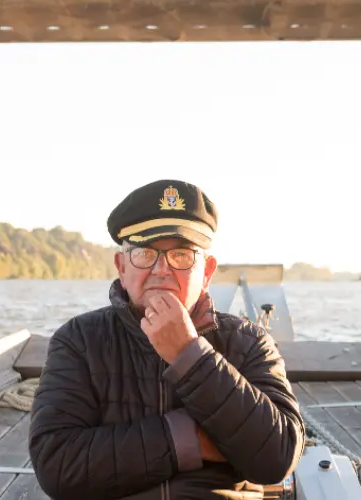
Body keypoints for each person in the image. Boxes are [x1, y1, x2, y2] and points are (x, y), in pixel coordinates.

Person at [29, 179, 305, 500]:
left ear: (207, 272)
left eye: (182, 255)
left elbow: (277, 457)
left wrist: (191, 356)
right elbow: (56, 465)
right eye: (145, 253)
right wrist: (190, 440)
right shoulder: (79, 340)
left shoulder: (249, 342)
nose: (161, 269)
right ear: (121, 267)